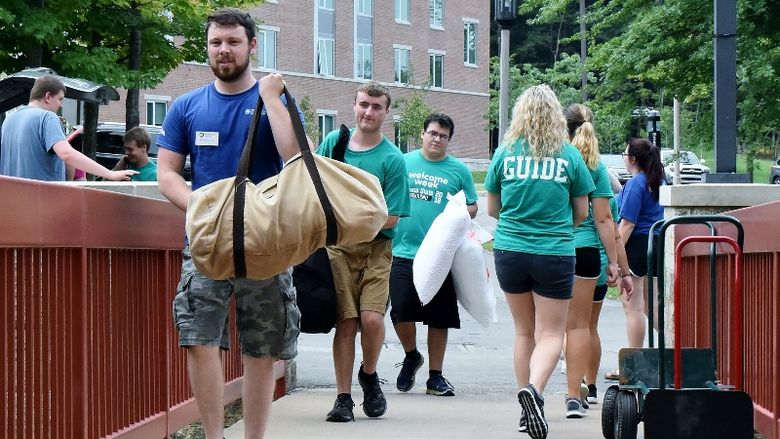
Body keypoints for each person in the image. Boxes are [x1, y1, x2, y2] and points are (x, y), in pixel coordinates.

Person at [156, 8, 302, 439]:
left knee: (262, 348)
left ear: (251, 46)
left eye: (233, 42)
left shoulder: (274, 99)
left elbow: (295, 156)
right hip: (205, 242)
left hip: (265, 243)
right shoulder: (186, 106)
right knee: (198, 337)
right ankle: (215, 436)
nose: (224, 50)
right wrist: (201, 206)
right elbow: (167, 174)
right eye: (216, 42)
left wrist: (273, 98)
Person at [484, 84, 594, 439]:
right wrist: (557, 225)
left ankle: (523, 408)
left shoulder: (504, 153)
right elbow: (581, 211)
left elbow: (492, 209)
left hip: (510, 250)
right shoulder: (569, 155)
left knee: (523, 331)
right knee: (551, 333)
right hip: (555, 252)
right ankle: (535, 391)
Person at [316, 82, 410, 422]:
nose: (368, 112)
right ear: (354, 106)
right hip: (337, 247)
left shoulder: (393, 159)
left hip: (377, 247)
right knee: (346, 320)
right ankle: (343, 398)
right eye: (363, 105)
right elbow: (314, 191)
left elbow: (394, 215)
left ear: (386, 112)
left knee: (371, 320)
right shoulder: (333, 144)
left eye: (376, 107)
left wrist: (353, 214)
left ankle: (368, 375)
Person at [389, 113, 478, 397]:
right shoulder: (403, 162)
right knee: (401, 309)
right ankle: (411, 354)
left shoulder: (459, 171)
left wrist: (457, 216)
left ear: (449, 140)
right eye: (433, 133)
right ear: (423, 134)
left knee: (439, 317)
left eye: (443, 136)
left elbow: (473, 206)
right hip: (403, 250)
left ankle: (435, 377)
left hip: (441, 255)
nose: (437, 139)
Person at [561, 103, 622, 418]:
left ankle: (566, 388)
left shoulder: (560, 161)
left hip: (559, 250)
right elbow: (604, 220)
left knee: (559, 326)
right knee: (587, 326)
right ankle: (589, 387)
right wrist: (614, 263)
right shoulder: (596, 166)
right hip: (590, 256)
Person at [0, 75, 136, 182]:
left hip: (13, 203)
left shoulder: (9, 120)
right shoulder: (47, 118)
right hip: (41, 202)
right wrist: (110, 174)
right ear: (48, 96)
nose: (60, 105)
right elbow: (66, 154)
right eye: (60, 99)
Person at [583, 172, 633, 403]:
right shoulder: (606, 197)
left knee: (570, 327)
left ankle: (575, 388)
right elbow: (615, 238)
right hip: (600, 265)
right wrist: (624, 271)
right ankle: (591, 386)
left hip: (569, 259)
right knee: (591, 327)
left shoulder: (566, 187)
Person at [613, 138, 665, 354]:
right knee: (651, 305)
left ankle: (634, 362)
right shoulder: (657, 181)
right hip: (656, 244)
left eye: (624, 155)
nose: (624, 159)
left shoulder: (636, 183)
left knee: (631, 306)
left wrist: (614, 258)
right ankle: (670, 350)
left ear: (632, 159)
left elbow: (627, 224)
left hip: (636, 245)